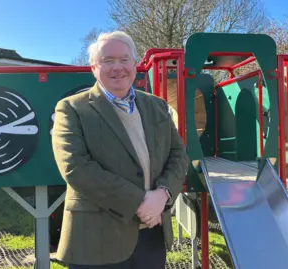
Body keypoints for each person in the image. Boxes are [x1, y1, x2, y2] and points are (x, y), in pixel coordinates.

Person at [51, 30, 189, 269]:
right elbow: (75, 167)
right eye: (107, 60)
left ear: (134, 64)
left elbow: (178, 155)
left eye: (124, 59)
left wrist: (163, 194)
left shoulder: (157, 106)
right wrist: (142, 202)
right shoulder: (72, 109)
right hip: (97, 240)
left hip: (151, 236)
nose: (118, 67)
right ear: (94, 67)